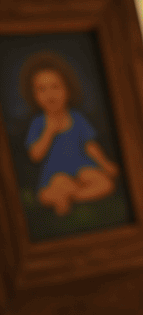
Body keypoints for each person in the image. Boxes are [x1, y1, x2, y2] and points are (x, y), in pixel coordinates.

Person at [21, 51, 119, 216]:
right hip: (56, 173)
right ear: (34, 95)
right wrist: (49, 132)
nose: (50, 94)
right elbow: (35, 155)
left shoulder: (77, 118)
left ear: (67, 89)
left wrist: (105, 164)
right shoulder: (39, 123)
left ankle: (75, 196)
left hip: (82, 167)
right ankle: (65, 194)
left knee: (105, 184)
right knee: (59, 183)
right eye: (42, 89)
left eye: (55, 87)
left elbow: (90, 146)